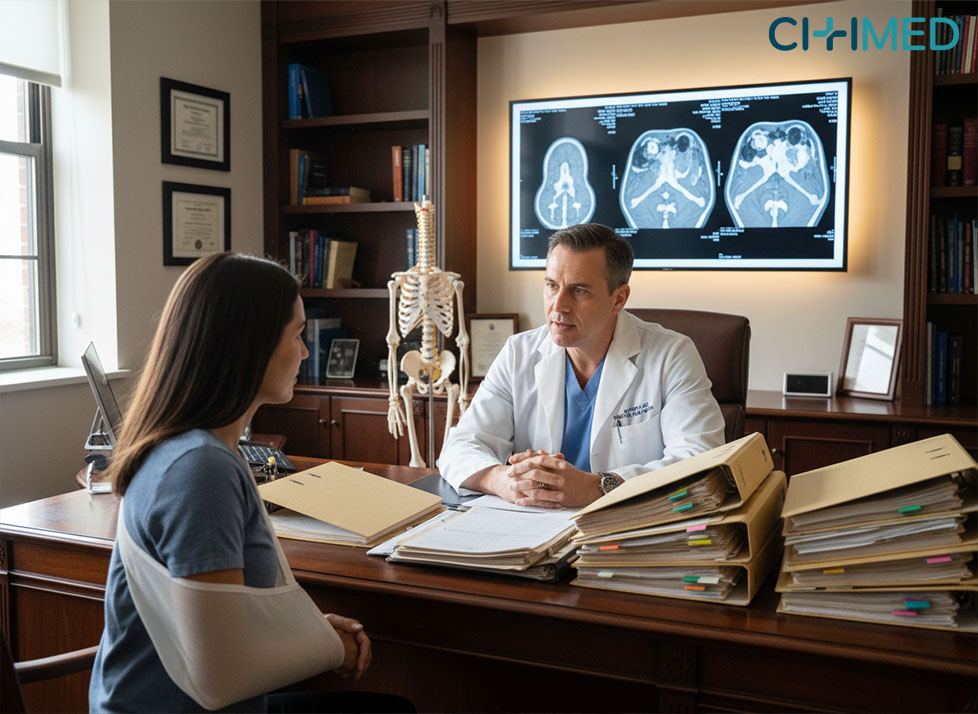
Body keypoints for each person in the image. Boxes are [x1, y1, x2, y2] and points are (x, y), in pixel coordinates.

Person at [89, 253, 411, 713]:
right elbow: (221, 676)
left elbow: (217, 623)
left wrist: (311, 630)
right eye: (297, 335)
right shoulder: (201, 470)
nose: (305, 352)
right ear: (250, 346)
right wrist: (328, 648)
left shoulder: (196, 449)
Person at [437, 223, 725, 509]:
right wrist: (504, 480)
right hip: (535, 523)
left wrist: (597, 487)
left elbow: (701, 460)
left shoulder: (671, 355)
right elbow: (460, 446)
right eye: (552, 286)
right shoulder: (518, 353)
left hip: (627, 522)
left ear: (618, 299)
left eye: (578, 290)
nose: (558, 305)